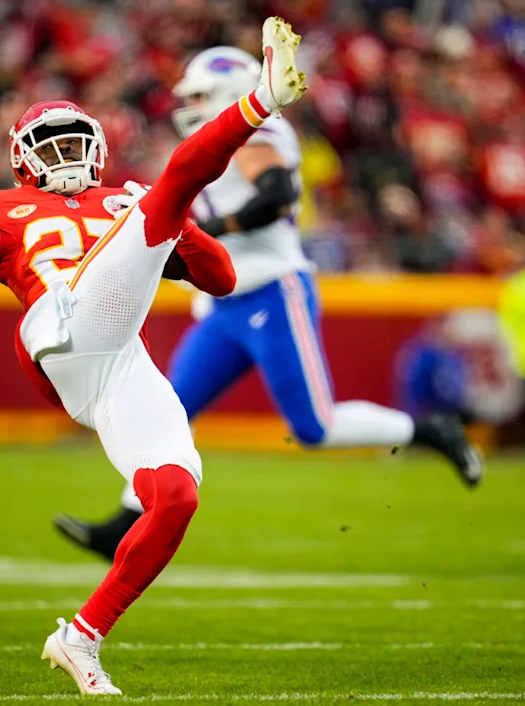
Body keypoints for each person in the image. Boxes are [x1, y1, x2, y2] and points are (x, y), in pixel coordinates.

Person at [0, 16, 307, 695]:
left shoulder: (124, 201)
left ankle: (80, 637)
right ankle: (261, 100)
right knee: (166, 188)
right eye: (49, 146)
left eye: (75, 141)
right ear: (23, 160)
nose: (64, 154)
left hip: (116, 359)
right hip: (57, 328)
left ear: (97, 148)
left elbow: (222, 278)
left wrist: (171, 231)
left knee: (175, 498)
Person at [53, 46, 485, 562]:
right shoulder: (213, 138)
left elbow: (275, 195)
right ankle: (125, 526)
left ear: (231, 91)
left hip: (273, 291)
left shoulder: (260, 131)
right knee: (172, 410)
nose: (189, 105)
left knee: (313, 428)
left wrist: (204, 232)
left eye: (199, 95)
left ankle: (431, 430)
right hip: (225, 304)